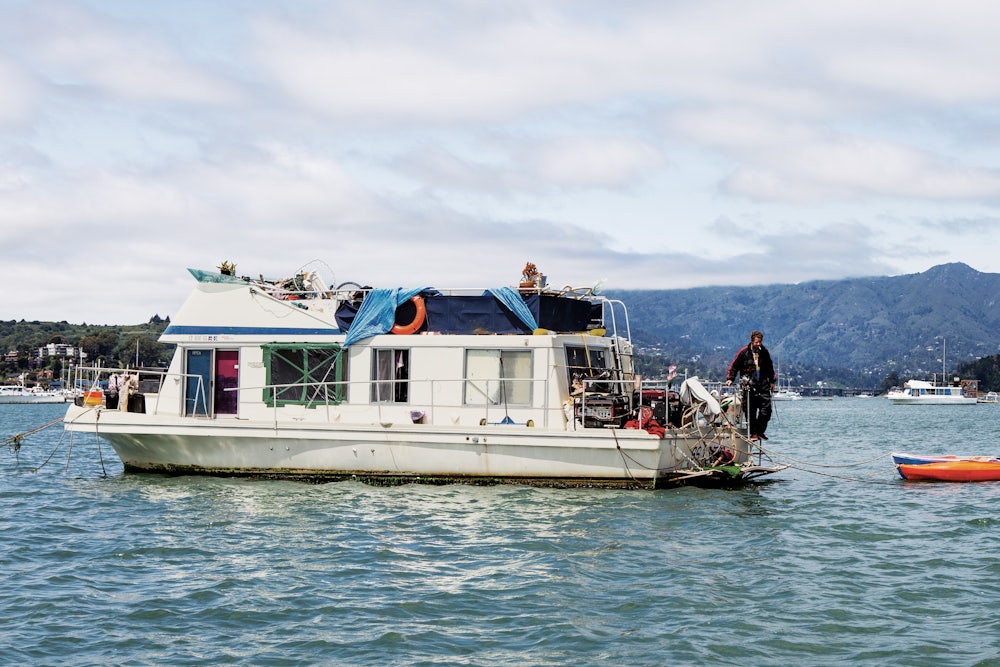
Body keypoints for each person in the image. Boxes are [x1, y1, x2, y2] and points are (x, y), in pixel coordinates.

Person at [725, 330, 777, 441]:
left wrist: (772, 381)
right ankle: (753, 433)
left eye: (760, 342)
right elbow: (734, 366)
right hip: (748, 385)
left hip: (763, 384)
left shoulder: (764, 352)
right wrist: (730, 379)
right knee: (750, 411)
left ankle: (760, 432)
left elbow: (769, 367)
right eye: (757, 342)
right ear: (752, 341)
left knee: (766, 410)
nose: (759, 344)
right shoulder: (743, 352)